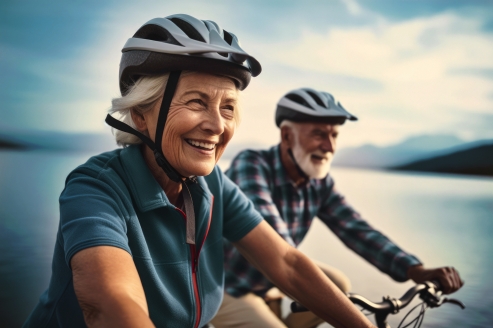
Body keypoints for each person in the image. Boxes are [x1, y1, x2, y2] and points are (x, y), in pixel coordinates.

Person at [23, 16, 376, 328]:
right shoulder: (97, 189)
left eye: (228, 108)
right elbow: (110, 305)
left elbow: (286, 262)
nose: (216, 125)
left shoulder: (213, 184)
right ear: (141, 114)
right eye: (196, 102)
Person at [211, 88, 464, 328]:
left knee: (339, 283)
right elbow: (283, 254)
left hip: (267, 280)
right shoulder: (252, 165)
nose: (330, 147)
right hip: (224, 284)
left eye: (334, 135)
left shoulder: (318, 183)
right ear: (287, 136)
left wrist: (414, 270)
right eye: (319, 134)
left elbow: (356, 229)